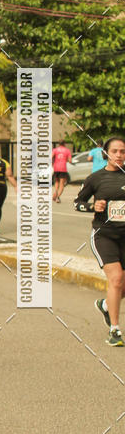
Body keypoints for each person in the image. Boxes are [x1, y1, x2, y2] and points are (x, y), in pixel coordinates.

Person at [75, 136, 125, 346]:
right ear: (106, 153)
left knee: (121, 285)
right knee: (116, 279)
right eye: (115, 151)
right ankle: (115, 330)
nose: (119, 155)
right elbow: (78, 202)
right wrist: (92, 207)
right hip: (104, 235)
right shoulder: (96, 178)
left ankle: (105, 305)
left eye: (123, 151)